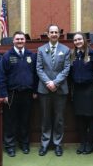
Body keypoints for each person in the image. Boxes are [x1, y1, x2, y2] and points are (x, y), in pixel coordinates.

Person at [0, 31, 38, 157]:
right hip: (12, 94)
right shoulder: (7, 56)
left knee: (25, 120)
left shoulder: (31, 55)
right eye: (17, 39)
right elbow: (1, 76)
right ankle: (10, 146)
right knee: (10, 121)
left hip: (27, 93)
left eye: (22, 39)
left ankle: (24, 144)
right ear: (13, 41)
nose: (20, 41)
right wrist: (3, 94)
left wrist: (35, 90)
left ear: (25, 41)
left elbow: (36, 75)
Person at [36, 24, 70, 157]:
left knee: (59, 119)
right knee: (45, 118)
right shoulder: (41, 49)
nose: (54, 34)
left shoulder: (66, 49)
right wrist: (48, 83)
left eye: (56, 32)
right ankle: (44, 144)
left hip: (60, 89)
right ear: (48, 34)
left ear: (59, 34)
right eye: (52, 32)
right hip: (44, 89)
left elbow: (66, 69)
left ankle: (57, 144)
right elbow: (39, 68)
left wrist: (55, 82)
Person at [70, 32, 93, 155]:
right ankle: (83, 142)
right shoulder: (72, 54)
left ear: (84, 40)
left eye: (79, 39)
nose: (77, 41)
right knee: (80, 117)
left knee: (90, 117)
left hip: (90, 89)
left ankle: (90, 143)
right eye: (75, 40)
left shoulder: (92, 53)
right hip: (77, 90)